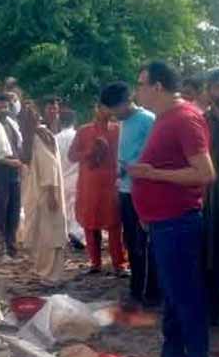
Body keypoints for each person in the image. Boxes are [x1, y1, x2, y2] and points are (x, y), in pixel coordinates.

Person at [131, 60, 216, 357]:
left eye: (141, 84)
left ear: (157, 87)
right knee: (174, 293)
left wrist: (153, 175)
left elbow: (205, 173)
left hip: (178, 223)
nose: (137, 90)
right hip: (164, 222)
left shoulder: (185, 119)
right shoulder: (166, 118)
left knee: (187, 295)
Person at [99, 81, 160, 306]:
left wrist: (130, 167)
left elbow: (154, 154)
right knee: (132, 243)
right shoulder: (124, 122)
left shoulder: (147, 120)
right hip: (126, 189)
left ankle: (152, 293)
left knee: (147, 243)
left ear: (126, 102)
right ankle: (136, 290)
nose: (113, 115)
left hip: (145, 191)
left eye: (115, 110)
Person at [69, 103, 127, 274]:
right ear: (96, 108)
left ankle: (119, 264)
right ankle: (95, 263)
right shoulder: (84, 130)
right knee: (90, 224)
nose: (106, 111)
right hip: (89, 186)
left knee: (115, 225)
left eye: (109, 107)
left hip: (111, 185)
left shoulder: (118, 130)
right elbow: (71, 156)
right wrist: (89, 152)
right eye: (103, 107)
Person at [20, 102, 67, 284]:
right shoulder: (35, 136)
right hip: (41, 190)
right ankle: (44, 271)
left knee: (49, 233)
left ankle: (50, 274)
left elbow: (50, 167)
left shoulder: (40, 137)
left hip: (47, 191)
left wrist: (51, 194)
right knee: (43, 232)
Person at [202, 67, 219, 332]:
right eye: (218, 87)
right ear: (208, 91)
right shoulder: (201, 121)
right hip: (207, 199)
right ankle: (212, 311)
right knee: (209, 253)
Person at [0, 94, 24, 262]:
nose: (3, 109)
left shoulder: (11, 124)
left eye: (5, 106)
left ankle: (12, 249)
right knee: (0, 212)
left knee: (14, 212)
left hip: (15, 174)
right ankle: (0, 251)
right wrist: (8, 162)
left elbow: (19, 147)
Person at [55, 109, 85, 248]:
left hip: (62, 177)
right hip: (77, 176)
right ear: (75, 122)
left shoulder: (55, 138)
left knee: (65, 209)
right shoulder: (78, 136)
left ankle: (67, 234)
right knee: (76, 208)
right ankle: (77, 234)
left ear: (60, 121)